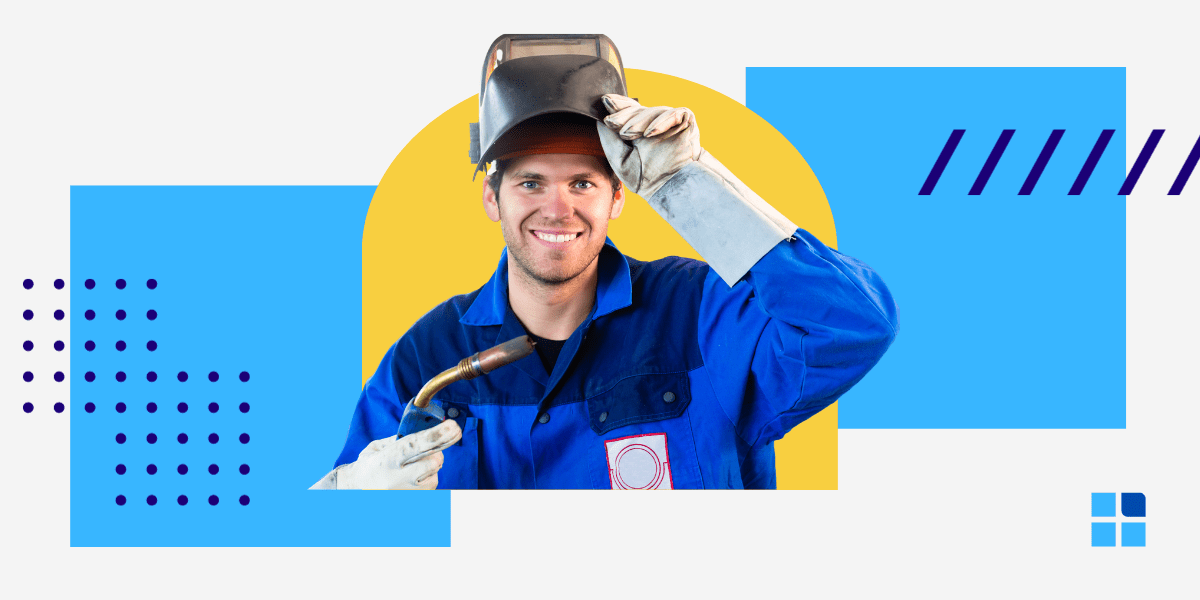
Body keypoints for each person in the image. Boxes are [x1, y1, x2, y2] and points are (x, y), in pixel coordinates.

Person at [311, 35, 897, 490]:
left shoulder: (695, 313)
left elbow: (852, 325)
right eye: (531, 182)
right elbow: (314, 550)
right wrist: (348, 501)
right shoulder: (429, 357)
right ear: (493, 199)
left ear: (620, 195)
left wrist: (691, 186)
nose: (558, 207)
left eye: (584, 182)